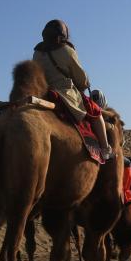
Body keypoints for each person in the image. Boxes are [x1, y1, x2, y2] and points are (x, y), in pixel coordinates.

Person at [33, 19, 112, 159]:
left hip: (42, 93)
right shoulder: (67, 50)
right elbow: (81, 79)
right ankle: (105, 149)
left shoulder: (37, 53)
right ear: (63, 35)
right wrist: (84, 83)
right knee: (96, 112)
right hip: (65, 93)